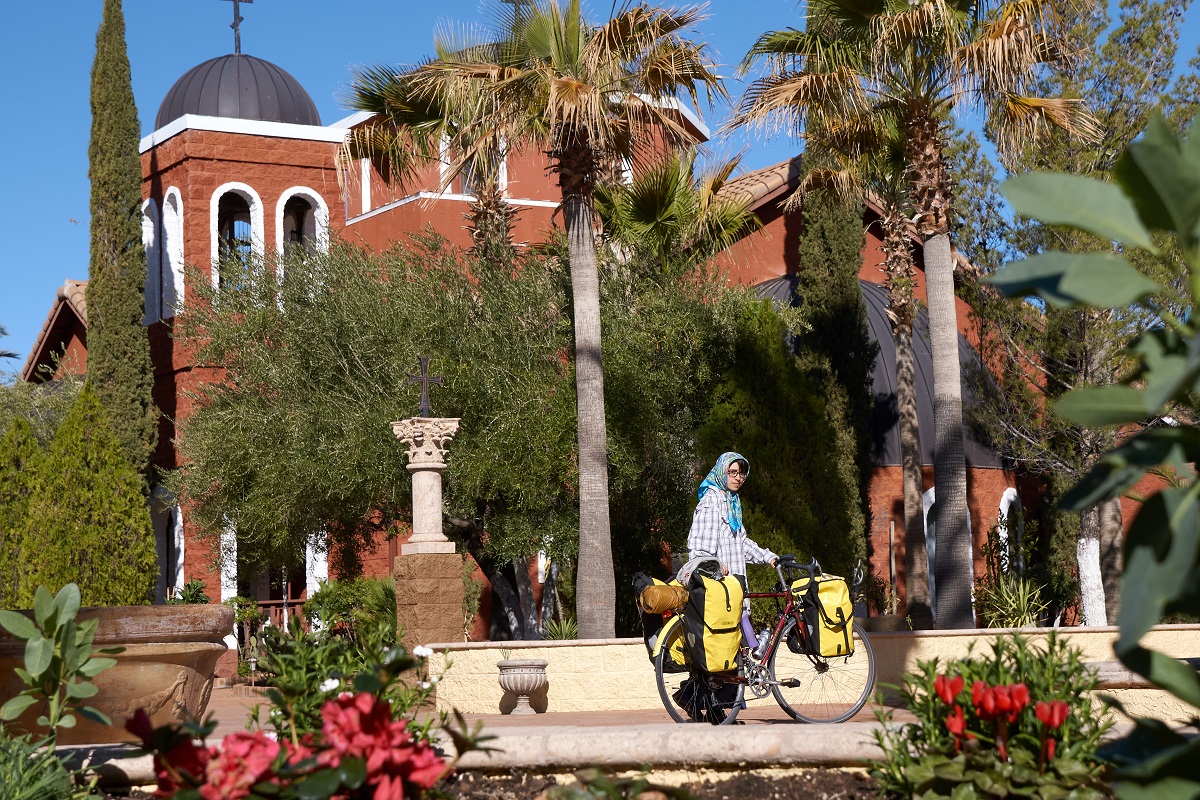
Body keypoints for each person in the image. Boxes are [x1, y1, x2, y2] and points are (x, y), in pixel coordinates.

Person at [687, 452, 777, 589]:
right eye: (733, 472)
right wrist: (714, 566)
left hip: (736, 591)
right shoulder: (711, 502)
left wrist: (767, 557)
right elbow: (699, 550)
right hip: (719, 593)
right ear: (722, 471)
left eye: (742, 474)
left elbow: (740, 542)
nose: (738, 478)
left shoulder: (732, 502)